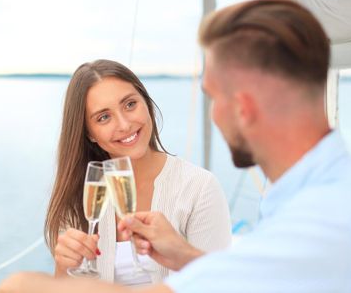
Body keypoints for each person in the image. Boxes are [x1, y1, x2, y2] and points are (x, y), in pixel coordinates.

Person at [0, 0, 351, 293]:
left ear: (245, 107)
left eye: (213, 96)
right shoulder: (330, 192)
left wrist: (17, 286)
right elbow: (250, 282)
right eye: (104, 116)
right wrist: (181, 254)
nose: (212, 115)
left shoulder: (325, 218)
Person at [44, 59, 231, 285]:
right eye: (104, 117)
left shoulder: (199, 188)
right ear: (89, 133)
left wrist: (181, 253)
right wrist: (64, 269)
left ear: (146, 103)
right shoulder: (80, 194)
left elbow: (221, 285)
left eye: (130, 104)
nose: (124, 124)